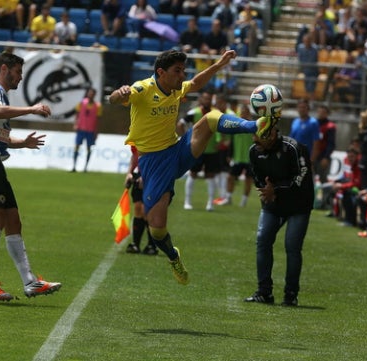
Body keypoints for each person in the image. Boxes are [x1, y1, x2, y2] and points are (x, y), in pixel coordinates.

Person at [108, 49, 269, 285]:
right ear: (161, 72)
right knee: (157, 228)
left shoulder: (176, 88)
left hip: (177, 150)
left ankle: (255, 125)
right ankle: (174, 256)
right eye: (177, 71)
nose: (182, 75)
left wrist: (220, 64)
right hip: (153, 163)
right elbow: (115, 99)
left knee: (211, 118)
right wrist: (118, 93)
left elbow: (196, 82)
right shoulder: (142, 89)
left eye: (183, 70)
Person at [0, 52, 62, 301]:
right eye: (18, 72)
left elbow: (1, 136)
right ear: (4, 69)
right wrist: (31, 108)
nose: (20, 77)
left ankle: (30, 282)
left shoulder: (2, 94)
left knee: (13, 220)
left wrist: (24, 143)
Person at [244, 116, 314, 306]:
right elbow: (257, 177)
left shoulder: (294, 148)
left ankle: (291, 295)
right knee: (262, 241)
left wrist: (275, 189)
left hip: (298, 204)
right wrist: (265, 190)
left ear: (272, 134)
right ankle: (264, 292)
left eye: (259, 137)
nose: (254, 141)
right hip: (272, 204)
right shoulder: (254, 151)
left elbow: (301, 177)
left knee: (292, 247)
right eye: (254, 136)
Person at [181, 90, 220, 212]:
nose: (207, 101)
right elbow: (180, 123)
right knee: (193, 173)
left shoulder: (216, 113)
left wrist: (220, 140)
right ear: (201, 100)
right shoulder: (194, 112)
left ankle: (210, 204)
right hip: (197, 149)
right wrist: (186, 139)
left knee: (210, 175)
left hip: (211, 149)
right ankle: (187, 202)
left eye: (209, 98)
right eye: (205, 98)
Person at [217, 102, 255, 207]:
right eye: (241, 112)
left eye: (245, 112)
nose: (243, 113)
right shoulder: (235, 125)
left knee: (248, 180)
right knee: (230, 177)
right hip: (237, 157)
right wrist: (229, 154)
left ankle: (244, 201)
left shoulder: (253, 126)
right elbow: (232, 141)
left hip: (250, 159)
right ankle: (228, 198)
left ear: (248, 113)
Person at [124, 146, 158, 255]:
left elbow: (158, 158)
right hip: (139, 174)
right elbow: (135, 156)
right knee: (138, 208)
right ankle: (135, 244)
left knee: (147, 211)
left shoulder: (156, 137)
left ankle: (151, 245)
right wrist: (129, 172)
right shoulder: (136, 136)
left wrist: (145, 176)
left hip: (154, 175)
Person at [71, 88, 102, 173]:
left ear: (94, 95)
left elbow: (98, 120)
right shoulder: (82, 103)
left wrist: (96, 132)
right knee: (77, 146)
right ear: (87, 94)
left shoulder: (98, 106)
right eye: (90, 93)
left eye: (92, 93)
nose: (91, 95)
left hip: (91, 131)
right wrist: (75, 124)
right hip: (81, 129)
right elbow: (77, 115)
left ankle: (85, 167)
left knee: (89, 148)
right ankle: (74, 166)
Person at [289, 98, 320, 169]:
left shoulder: (313, 122)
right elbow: (290, 140)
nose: (301, 109)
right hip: (294, 158)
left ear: (308, 109)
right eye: (300, 107)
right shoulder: (295, 121)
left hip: (306, 159)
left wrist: (311, 161)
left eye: (304, 107)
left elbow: (316, 143)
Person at [314, 105, 336, 185]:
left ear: (327, 114)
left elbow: (331, 143)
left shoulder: (330, 126)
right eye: (319, 112)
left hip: (322, 158)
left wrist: (326, 157)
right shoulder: (313, 124)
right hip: (312, 157)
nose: (321, 114)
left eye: (323, 112)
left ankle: (326, 197)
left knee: (323, 180)